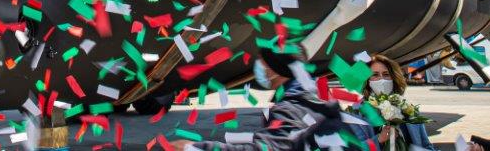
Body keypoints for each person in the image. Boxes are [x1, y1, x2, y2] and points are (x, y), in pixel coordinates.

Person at [171, 43, 348, 151]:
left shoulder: (290, 108)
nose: (259, 69)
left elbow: (269, 148)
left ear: (275, 69)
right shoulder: (317, 94)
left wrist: (194, 148)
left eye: (263, 64)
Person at [345, 54, 432, 149]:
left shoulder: (408, 109)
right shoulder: (355, 113)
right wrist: (378, 140)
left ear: (394, 78)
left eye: (386, 74)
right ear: (367, 80)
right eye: (375, 75)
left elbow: (426, 145)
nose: (381, 79)